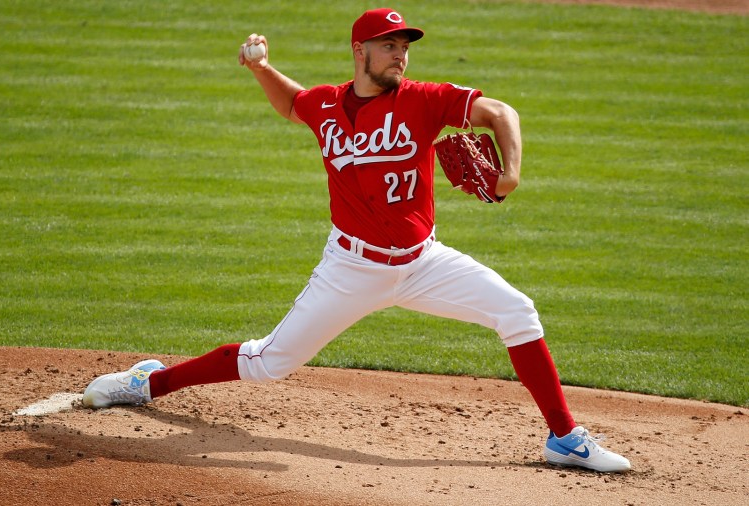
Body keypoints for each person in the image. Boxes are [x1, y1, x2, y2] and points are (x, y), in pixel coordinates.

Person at [82, 8, 631, 473]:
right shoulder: (325, 105)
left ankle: (563, 439)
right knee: (268, 363)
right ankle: (148, 382)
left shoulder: (424, 99)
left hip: (424, 263)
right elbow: (294, 104)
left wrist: (510, 171)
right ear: (359, 51)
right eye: (388, 45)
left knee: (518, 313)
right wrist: (262, 68)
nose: (400, 55)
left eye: (404, 46)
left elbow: (499, 111)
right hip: (350, 270)